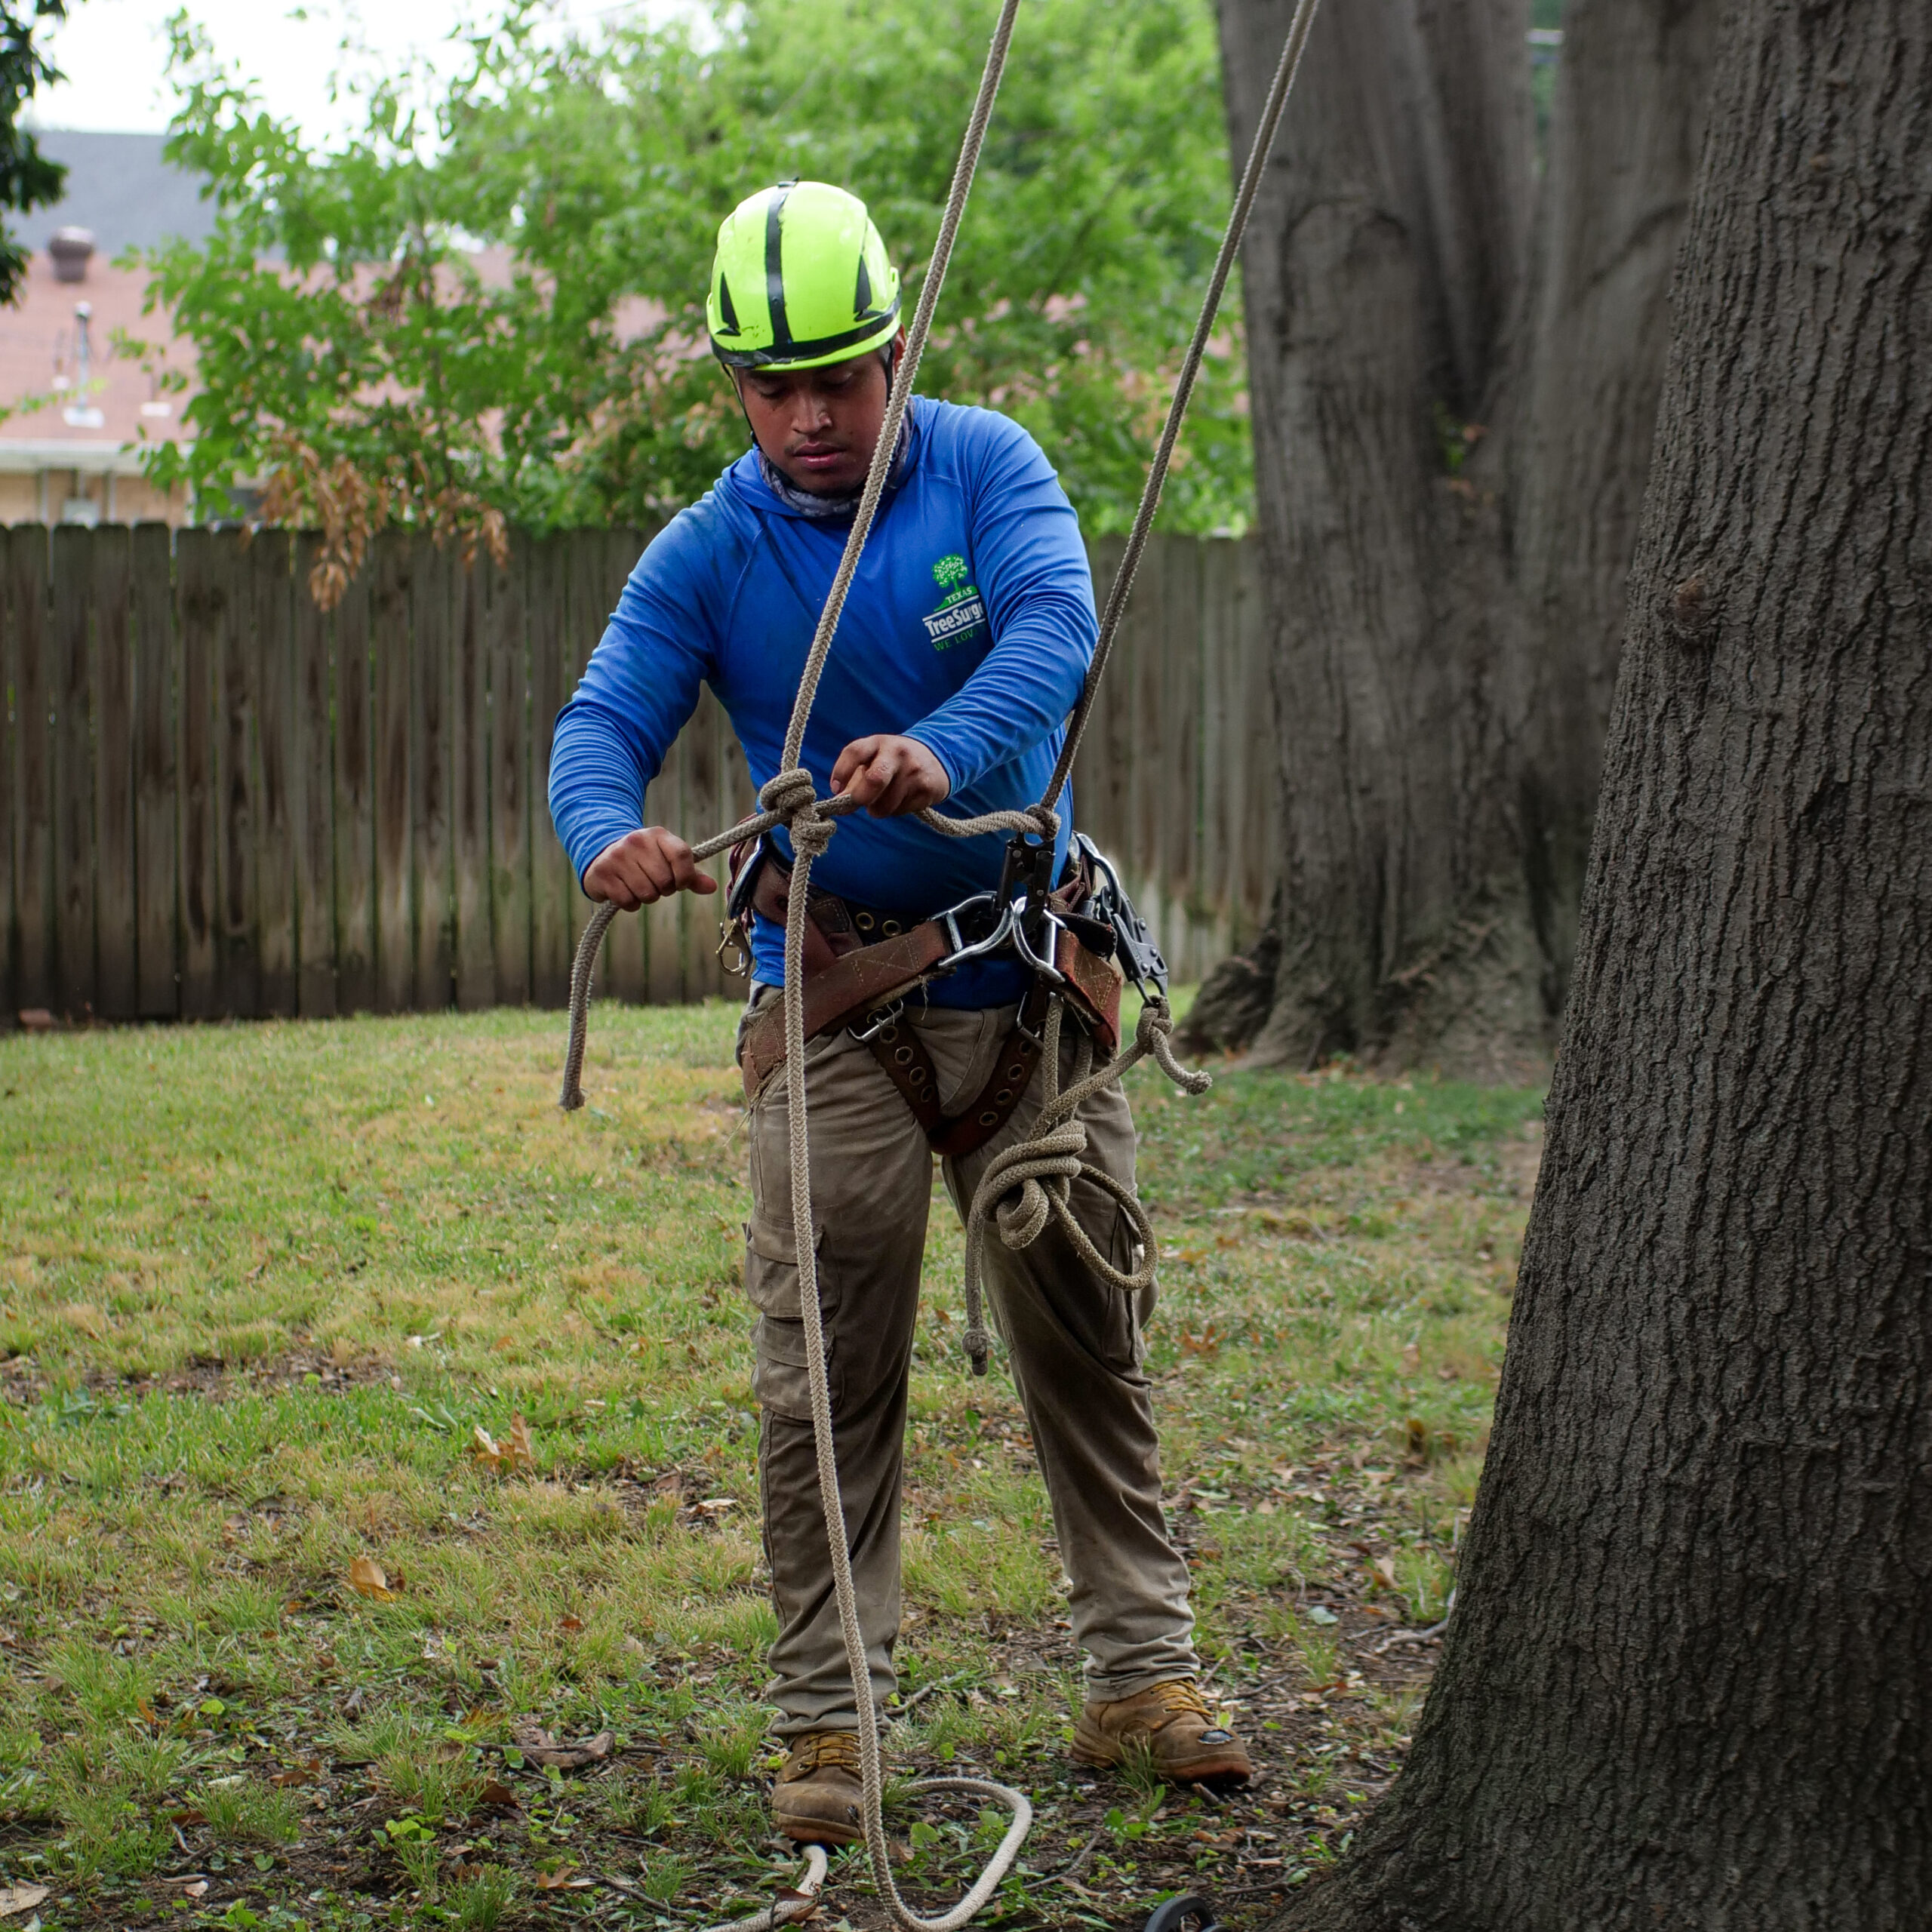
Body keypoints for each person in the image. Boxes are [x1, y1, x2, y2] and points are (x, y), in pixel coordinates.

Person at [548, 180, 1251, 1845]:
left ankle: (1141, 1677)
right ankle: (829, 1714)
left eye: (841, 378)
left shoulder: (986, 469)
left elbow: (1056, 631)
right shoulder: (708, 551)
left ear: (895, 353)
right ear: (735, 386)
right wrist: (603, 832)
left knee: (1082, 1326)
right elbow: (602, 720)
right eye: (774, 386)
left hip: (1026, 981)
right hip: (835, 1002)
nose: (810, 415)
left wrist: (941, 745)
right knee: (823, 1367)